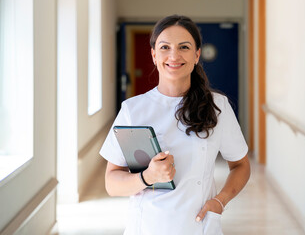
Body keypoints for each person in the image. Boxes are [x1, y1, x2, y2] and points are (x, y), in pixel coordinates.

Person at [100, 14, 250, 235]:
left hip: (200, 226)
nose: (174, 55)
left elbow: (241, 165)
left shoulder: (217, 106)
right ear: (153, 55)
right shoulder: (133, 110)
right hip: (148, 227)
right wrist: (147, 177)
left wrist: (220, 201)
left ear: (197, 55)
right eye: (164, 47)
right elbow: (112, 183)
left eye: (184, 47)